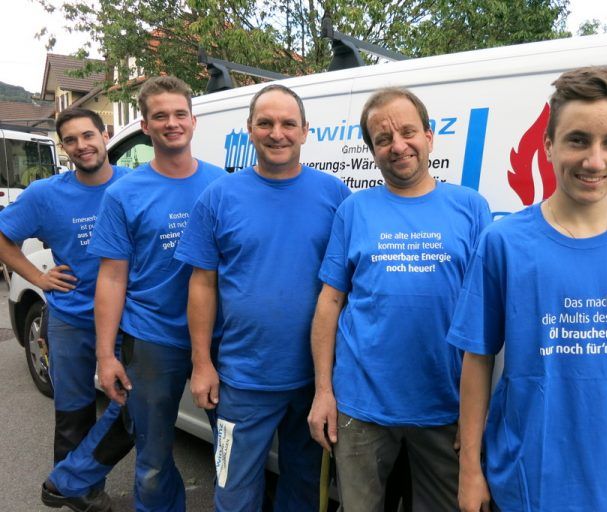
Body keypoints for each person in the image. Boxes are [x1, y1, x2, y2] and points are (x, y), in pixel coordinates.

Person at [449, 66, 607, 512]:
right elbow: (477, 359)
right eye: (577, 140)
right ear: (548, 144)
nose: (594, 160)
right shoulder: (503, 242)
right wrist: (470, 470)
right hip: (528, 484)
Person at [308, 87, 491, 511]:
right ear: (372, 149)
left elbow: (486, 312)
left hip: (447, 406)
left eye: (408, 131)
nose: (398, 145)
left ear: (429, 136)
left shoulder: (471, 208)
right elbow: (329, 303)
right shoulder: (354, 210)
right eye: (383, 138)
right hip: (361, 407)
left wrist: (477, 415)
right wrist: (323, 392)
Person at [174, 84, 350, 511]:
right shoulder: (219, 197)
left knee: (305, 487)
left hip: (315, 381)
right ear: (249, 130)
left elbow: (349, 286)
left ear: (305, 131)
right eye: (266, 123)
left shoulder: (336, 196)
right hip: (242, 380)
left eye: (289, 123)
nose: (278, 133)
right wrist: (201, 364)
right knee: (231, 484)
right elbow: (202, 284)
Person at [89, 76, 226, 512]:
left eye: (179, 114)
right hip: (152, 338)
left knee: (232, 449)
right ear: (145, 126)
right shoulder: (123, 193)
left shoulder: (222, 184)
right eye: (160, 116)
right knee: (152, 458)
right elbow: (111, 278)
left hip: (221, 338)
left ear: (193, 120)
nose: (172, 123)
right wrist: (106, 354)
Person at [0, 107, 133, 512]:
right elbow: (4, 237)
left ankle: (69, 480)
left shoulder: (135, 184)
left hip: (131, 318)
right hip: (72, 319)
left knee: (134, 406)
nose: (82, 146)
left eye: (88, 135)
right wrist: (37, 277)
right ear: (64, 147)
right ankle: (83, 494)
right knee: (74, 412)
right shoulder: (45, 195)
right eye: (71, 140)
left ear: (105, 134)